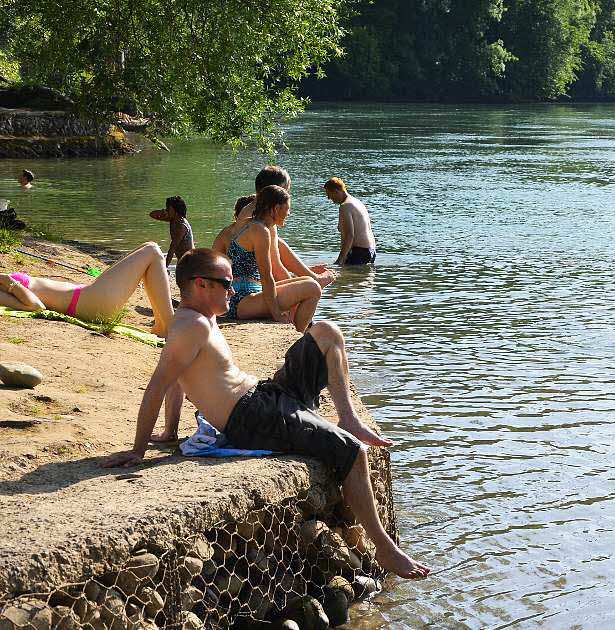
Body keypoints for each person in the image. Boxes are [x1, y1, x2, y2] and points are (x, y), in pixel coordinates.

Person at [100, 248, 430, 579]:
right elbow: (160, 384)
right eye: (226, 283)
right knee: (352, 451)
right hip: (253, 417)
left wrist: (171, 431)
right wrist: (138, 449)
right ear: (201, 285)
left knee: (327, 332)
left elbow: (178, 382)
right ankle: (385, 549)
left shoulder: (205, 316)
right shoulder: (189, 327)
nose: (233, 289)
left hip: (265, 395)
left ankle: (349, 417)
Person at [0, 241, 175, 336]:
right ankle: (171, 327)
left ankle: (162, 325)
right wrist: (8, 280)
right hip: (89, 304)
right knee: (152, 251)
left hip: (87, 295)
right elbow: (35, 306)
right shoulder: (4, 284)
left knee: (148, 246)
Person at [219, 185, 322, 332]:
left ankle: (299, 329)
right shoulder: (260, 231)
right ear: (275, 209)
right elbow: (266, 276)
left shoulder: (254, 225)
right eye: (287, 208)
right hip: (241, 300)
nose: (289, 213)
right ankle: (297, 338)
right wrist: (276, 314)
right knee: (313, 288)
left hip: (247, 295)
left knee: (309, 281)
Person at [220, 165, 334, 287]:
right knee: (311, 287)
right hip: (245, 289)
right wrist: (301, 285)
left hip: (234, 282)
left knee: (279, 244)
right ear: (278, 190)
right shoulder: (264, 220)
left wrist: (301, 275)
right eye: (287, 190)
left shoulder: (247, 210)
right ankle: (315, 279)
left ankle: (310, 276)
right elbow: (275, 269)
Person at [324, 177, 377, 265]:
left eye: (329, 194)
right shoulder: (357, 202)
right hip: (370, 251)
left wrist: (340, 259)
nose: (329, 198)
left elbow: (349, 235)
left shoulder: (345, 206)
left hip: (358, 252)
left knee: (346, 278)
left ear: (336, 191)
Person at [148, 196, 194, 267]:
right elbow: (152, 214)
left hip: (189, 261)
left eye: (168, 208)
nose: (166, 210)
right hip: (182, 260)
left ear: (174, 210)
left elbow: (172, 249)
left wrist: (165, 267)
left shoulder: (181, 226)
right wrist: (162, 212)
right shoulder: (173, 220)